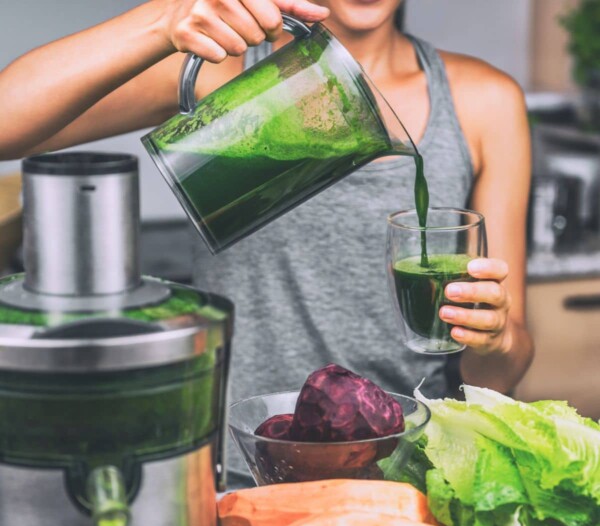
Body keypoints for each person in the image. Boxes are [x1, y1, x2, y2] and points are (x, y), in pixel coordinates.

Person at [0, 0, 534, 475]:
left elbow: (501, 373)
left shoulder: (484, 101)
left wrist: (497, 337)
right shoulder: (221, 71)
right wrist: (164, 18)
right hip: (241, 468)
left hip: (406, 473)